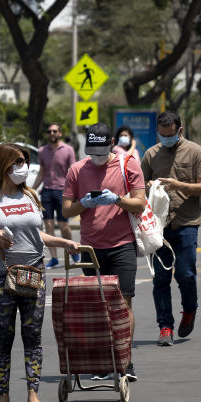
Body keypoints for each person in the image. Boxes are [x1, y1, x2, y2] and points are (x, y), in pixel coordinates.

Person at [0, 143, 78, 402]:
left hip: (34, 273)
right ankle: (3, 396)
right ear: (3, 164)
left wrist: (64, 242)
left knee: (33, 336)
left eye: (25, 161)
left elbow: (37, 236)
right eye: (19, 161)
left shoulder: (31, 195)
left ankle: (33, 395)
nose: (24, 166)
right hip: (0, 275)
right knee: (4, 336)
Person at [62, 122, 147, 379]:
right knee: (98, 307)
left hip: (122, 245)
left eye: (101, 152)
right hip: (91, 246)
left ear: (111, 144)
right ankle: (103, 360)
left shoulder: (128, 164)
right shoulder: (77, 170)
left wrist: (117, 199)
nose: (96, 158)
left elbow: (140, 203)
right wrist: (83, 203)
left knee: (123, 303)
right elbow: (67, 210)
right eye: (92, 153)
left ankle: (124, 360)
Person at [142, 112, 201, 346]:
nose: (166, 139)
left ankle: (190, 309)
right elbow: (139, 187)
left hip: (186, 223)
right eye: (162, 135)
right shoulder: (151, 154)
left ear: (179, 131)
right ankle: (165, 327)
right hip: (159, 227)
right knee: (160, 279)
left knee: (186, 275)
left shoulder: (196, 151)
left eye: (170, 135)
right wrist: (149, 185)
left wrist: (177, 185)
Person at [33, 123, 78, 267]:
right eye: (49, 131)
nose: (51, 133)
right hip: (46, 191)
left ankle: (73, 251)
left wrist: (75, 190)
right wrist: (32, 189)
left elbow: (73, 171)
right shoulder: (42, 151)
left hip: (63, 192)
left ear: (60, 133)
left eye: (54, 131)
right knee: (48, 225)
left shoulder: (68, 150)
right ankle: (54, 258)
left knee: (64, 225)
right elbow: (41, 171)